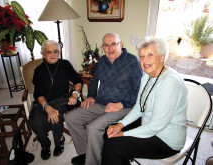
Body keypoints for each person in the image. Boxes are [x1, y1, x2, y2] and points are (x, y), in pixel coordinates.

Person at [101, 37, 188, 165]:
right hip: (148, 125)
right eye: (141, 56)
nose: (144, 60)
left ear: (162, 57)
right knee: (108, 132)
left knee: (113, 146)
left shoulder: (170, 82)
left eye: (150, 55)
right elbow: (138, 108)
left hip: (166, 139)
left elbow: (155, 126)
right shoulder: (147, 76)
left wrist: (124, 134)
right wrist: (120, 125)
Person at [65, 32, 143, 165]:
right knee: (70, 118)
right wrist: (90, 96)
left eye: (113, 44)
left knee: (93, 127)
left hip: (123, 107)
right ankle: (89, 153)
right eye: (106, 45)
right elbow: (94, 80)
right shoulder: (102, 60)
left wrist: (122, 104)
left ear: (121, 45)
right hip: (101, 104)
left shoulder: (132, 61)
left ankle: (93, 162)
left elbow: (140, 91)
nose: (109, 48)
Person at [29, 40, 83, 160]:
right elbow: (38, 94)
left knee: (55, 116)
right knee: (35, 120)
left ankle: (59, 141)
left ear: (59, 52)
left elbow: (78, 81)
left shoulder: (65, 64)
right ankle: (45, 145)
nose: (53, 54)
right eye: (49, 52)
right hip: (45, 102)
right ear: (43, 53)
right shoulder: (39, 70)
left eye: (56, 51)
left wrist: (75, 94)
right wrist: (47, 107)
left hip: (63, 100)